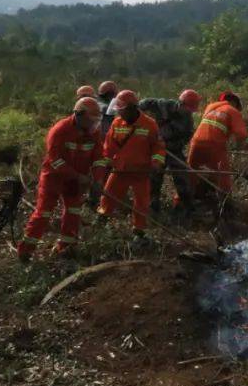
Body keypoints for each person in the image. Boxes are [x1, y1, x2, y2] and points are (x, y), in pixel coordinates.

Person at [17, 97, 106, 262]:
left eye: (95, 121)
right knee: (44, 212)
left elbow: (99, 158)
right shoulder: (59, 131)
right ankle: (26, 251)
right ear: (78, 115)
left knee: (73, 212)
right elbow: (55, 160)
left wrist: (99, 180)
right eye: (90, 120)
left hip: (76, 181)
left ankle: (67, 248)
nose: (93, 125)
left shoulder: (93, 133)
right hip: (54, 178)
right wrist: (77, 176)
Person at [98, 90, 165, 241]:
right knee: (108, 197)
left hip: (140, 172)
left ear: (131, 108)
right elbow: (109, 146)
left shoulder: (149, 124)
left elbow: (158, 147)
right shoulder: (117, 123)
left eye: (121, 111)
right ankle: (101, 223)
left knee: (141, 203)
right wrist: (107, 161)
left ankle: (139, 232)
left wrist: (156, 162)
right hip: (120, 170)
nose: (119, 114)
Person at [187, 91, 248, 208]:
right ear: (234, 102)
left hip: (196, 144)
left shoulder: (210, 108)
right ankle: (227, 207)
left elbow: (214, 127)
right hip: (215, 146)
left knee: (191, 175)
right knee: (222, 177)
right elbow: (241, 135)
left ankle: (182, 205)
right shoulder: (232, 111)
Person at [138, 89, 201, 215]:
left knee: (182, 176)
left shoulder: (188, 121)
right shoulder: (161, 105)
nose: (188, 111)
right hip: (155, 149)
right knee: (154, 177)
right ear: (180, 103)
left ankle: (186, 207)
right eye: (187, 108)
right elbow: (139, 106)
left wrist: (170, 145)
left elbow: (186, 137)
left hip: (173, 150)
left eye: (191, 109)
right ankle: (152, 206)